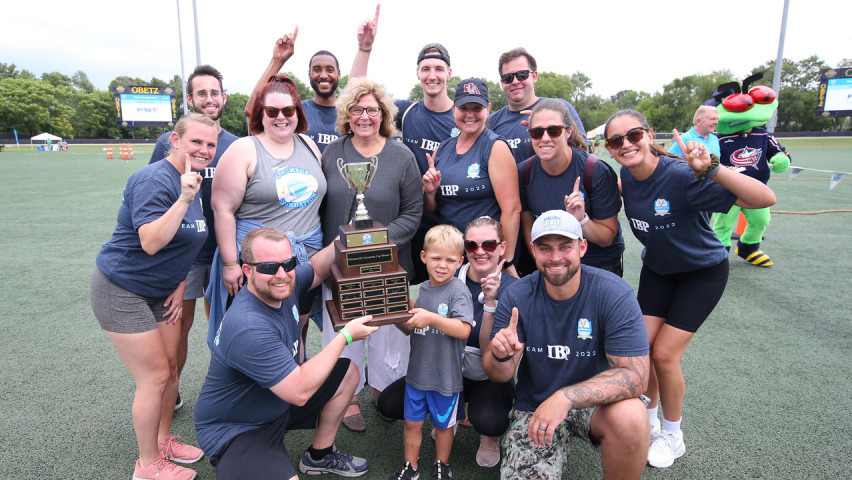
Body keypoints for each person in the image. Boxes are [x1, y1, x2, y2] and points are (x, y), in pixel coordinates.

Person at [604, 110, 776, 468]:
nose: (626, 145)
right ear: (609, 149)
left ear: (650, 135)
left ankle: (673, 435)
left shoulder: (682, 176)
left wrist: (712, 168)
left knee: (665, 355)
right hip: (659, 270)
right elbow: (620, 191)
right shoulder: (625, 173)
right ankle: (647, 423)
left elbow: (763, 199)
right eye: (616, 141)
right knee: (641, 349)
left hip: (702, 272)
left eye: (633, 135)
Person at [91, 113, 217, 480]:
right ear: (174, 141)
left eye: (210, 144)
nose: (204, 150)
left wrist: (179, 285)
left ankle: (162, 440)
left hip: (160, 292)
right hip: (121, 288)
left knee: (171, 368)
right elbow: (151, 241)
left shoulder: (190, 181)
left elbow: (188, 243)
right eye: (196, 142)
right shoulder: (154, 180)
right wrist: (183, 199)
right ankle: (146, 466)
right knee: (155, 376)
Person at [194, 227, 376, 479]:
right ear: (247, 271)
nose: (281, 274)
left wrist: (348, 235)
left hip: (276, 401)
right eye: (268, 267)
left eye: (288, 263)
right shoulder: (248, 325)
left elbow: (316, 267)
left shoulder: (282, 284)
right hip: (239, 427)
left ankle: (319, 456)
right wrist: (345, 336)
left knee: (347, 373)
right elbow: (298, 392)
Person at [483, 209, 651, 480]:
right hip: (535, 406)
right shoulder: (517, 295)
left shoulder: (613, 292)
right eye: (545, 248)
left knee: (632, 416)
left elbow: (637, 376)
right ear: (534, 250)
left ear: (582, 247)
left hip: (594, 403)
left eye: (565, 246)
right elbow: (497, 375)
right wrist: (501, 356)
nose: (555, 257)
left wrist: (565, 398)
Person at [320, 77, 423, 432]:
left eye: (373, 110)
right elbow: (321, 210)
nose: (365, 116)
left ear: (384, 114)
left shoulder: (402, 155)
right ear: (347, 114)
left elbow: (413, 212)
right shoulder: (332, 153)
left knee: (389, 335)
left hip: (389, 266)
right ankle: (345, 396)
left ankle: (384, 390)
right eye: (358, 109)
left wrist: (373, 244)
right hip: (340, 267)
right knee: (343, 332)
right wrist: (345, 249)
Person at [376, 216, 518, 469]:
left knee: (488, 419)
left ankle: (485, 434)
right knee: (388, 404)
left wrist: (490, 303)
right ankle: (445, 422)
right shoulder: (439, 280)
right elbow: (415, 329)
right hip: (441, 367)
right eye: (472, 245)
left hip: (487, 373)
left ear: (502, 248)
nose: (481, 251)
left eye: (489, 244)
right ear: (465, 251)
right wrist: (394, 313)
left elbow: (482, 344)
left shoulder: (515, 290)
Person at [207, 74, 324, 350]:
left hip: (303, 262)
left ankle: (296, 382)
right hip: (259, 264)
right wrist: (229, 263)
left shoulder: (309, 146)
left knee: (297, 327)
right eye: (272, 111)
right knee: (256, 332)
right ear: (261, 113)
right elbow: (221, 208)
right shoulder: (245, 149)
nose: (281, 117)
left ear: (297, 112)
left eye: (288, 110)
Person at [149, 64, 239, 411]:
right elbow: (157, 195)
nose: (209, 98)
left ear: (223, 97)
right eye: (201, 93)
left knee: (224, 329)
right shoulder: (167, 143)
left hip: (221, 254)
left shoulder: (234, 143)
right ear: (190, 98)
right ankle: (169, 394)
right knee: (176, 333)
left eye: (214, 92)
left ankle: (226, 392)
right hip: (182, 257)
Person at [387, 224, 473, 480]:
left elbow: (463, 329)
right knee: (412, 424)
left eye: (449, 260)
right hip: (417, 376)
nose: (442, 265)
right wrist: (396, 317)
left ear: (460, 262)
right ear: (423, 257)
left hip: (445, 379)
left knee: (443, 426)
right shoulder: (423, 288)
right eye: (436, 258)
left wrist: (431, 319)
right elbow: (412, 329)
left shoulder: (459, 290)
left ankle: (441, 465)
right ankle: (410, 467)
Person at [245, 6, 380, 153]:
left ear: (339, 74)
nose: (323, 75)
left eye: (329, 70)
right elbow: (252, 109)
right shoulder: (296, 111)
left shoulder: (350, 112)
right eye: (317, 70)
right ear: (309, 75)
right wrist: (277, 61)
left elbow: (356, 87)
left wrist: (365, 47)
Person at [422, 78, 521, 277]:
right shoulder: (441, 149)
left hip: (484, 258)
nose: (469, 114)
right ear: (453, 109)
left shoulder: (495, 147)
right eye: (463, 108)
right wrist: (430, 192)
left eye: (477, 108)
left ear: (488, 109)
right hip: (451, 260)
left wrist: (504, 260)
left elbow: (512, 210)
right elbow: (431, 209)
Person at [519, 99, 625, 276]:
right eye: (537, 132)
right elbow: (529, 227)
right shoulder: (524, 172)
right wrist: (542, 263)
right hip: (552, 265)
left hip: (596, 265)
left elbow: (606, 238)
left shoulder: (595, 171)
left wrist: (582, 219)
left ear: (568, 132)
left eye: (554, 130)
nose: (545, 138)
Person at [488, 47, 587, 164]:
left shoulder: (559, 108)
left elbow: (583, 152)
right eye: (508, 78)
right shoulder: (491, 122)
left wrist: (548, 127)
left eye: (522, 75)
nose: (515, 81)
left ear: (534, 76)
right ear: (502, 82)